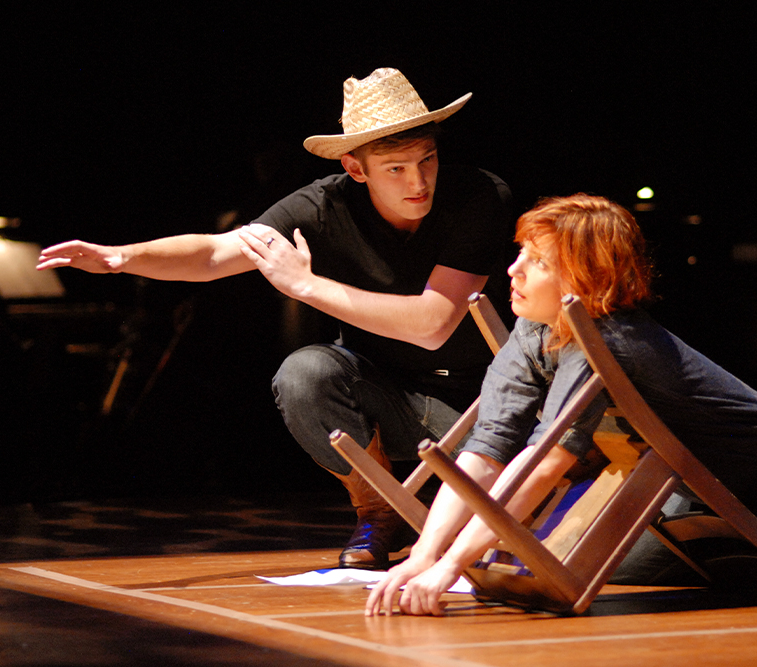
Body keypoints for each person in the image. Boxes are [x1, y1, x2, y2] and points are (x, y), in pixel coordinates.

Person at [36, 68, 514, 570]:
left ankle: (457, 518)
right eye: (395, 168)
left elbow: (432, 325)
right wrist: (120, 258)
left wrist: (306, 285)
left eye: (427, 160)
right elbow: (217, 253)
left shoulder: (477, 196)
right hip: (390, 398)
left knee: (513, 528)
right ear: (356, 168)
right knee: (305, 373)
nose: (418, 182)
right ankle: (382, 509)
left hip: (480, 407)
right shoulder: (325, 205)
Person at [366, 193, 757, 617]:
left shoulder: (606, 340)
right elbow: (485, 451)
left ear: (585, 276)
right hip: (706, 497)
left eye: (538, 261)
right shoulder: (534, 329)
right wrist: (425, 555)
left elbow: (543, 463)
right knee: (582, 563)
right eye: (520, 254)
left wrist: (451, 566)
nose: (514, 270)